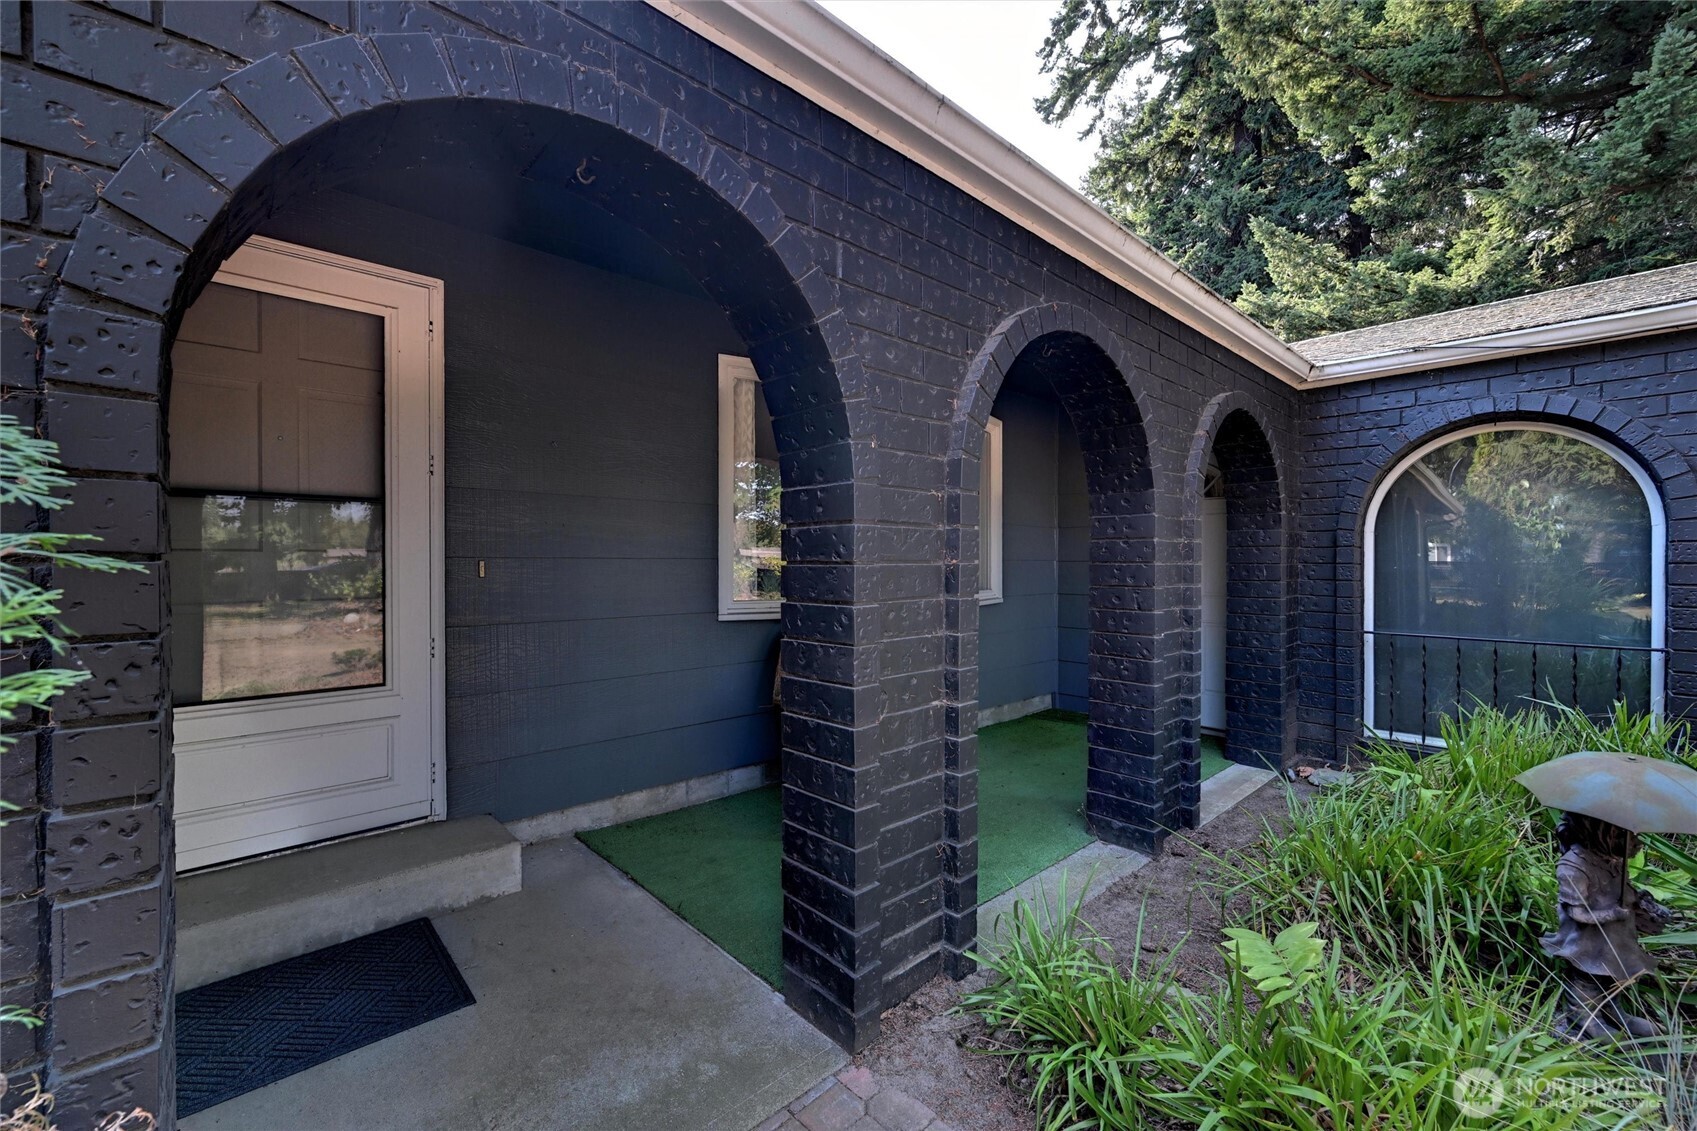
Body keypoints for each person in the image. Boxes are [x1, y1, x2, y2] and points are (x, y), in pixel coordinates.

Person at [1540, 811, 1668, 1040]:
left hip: (1614, 939)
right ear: (1605, 834)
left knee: (1612, 978)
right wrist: (1611, 913)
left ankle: (1612, 1012)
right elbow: (1576, 911)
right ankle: (1583, 1020)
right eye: (1626, 836)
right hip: (1587, 942)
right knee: (1588, 980)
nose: (1637, 843)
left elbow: (1623, 893)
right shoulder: (1574, 867)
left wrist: (1645, 907)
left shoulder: (1611, 861)